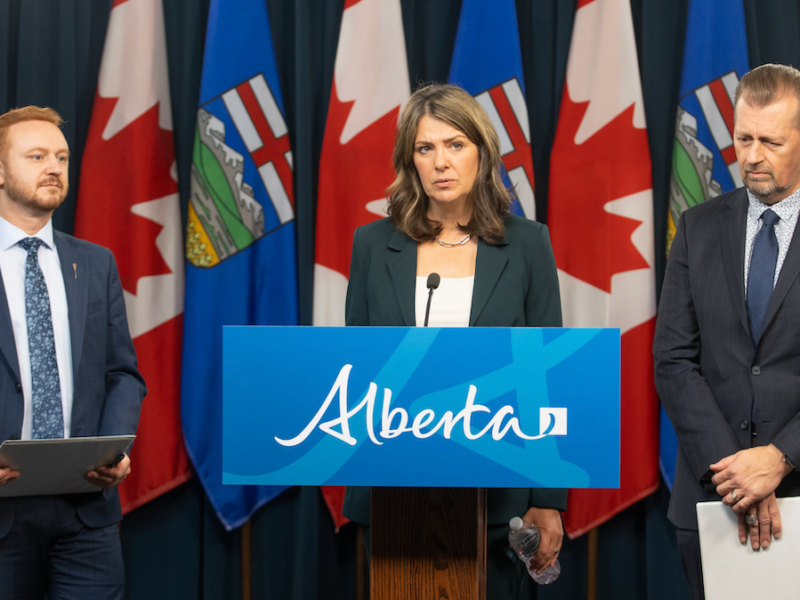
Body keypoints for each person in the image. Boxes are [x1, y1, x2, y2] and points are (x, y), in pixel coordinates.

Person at [342, 83, 566, 598]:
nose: (441, 162)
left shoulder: (528, 243)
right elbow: (355, 369)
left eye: (455, 145)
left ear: (482, 154)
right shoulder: (372, 245)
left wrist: (547, 495)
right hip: (393, 492)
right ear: (410, 161)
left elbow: (543, 374)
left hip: (497, 493)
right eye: (426, 148)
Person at [654, 63, 800, 599]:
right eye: (743, 137)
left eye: (771, 141)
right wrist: (737, 477)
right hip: (712, 503)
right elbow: (673, 360)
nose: (753, 155)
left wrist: (779, 458)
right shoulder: (696, 227)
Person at [0, 106, 146, 599]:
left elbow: (123, 373)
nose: (54, 167)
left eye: (61, 157)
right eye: (37, 155)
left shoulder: (95, 262)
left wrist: (114, 448)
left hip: (87, 509)